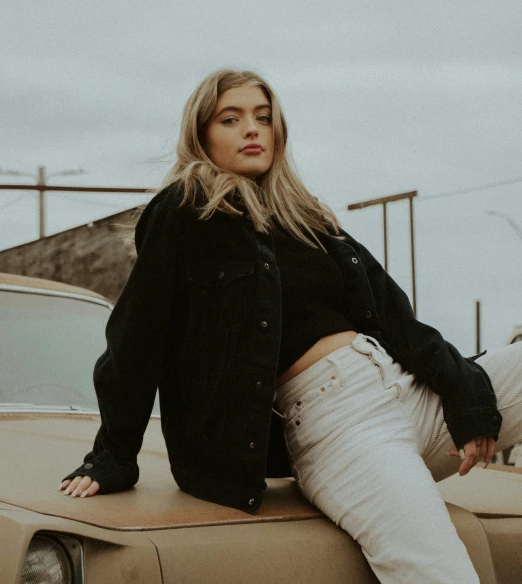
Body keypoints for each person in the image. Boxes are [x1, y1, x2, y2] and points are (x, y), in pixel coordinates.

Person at [59, 68, 522, 583]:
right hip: (340, 423)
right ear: (202, 134)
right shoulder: (185, 213)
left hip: (406, 390)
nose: (252, 129)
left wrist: (466, 397)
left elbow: (397, 318)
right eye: (231, 119)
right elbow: (136, 337)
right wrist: (112, 457)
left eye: (263, 117)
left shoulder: (309, 218)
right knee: (442, 575)